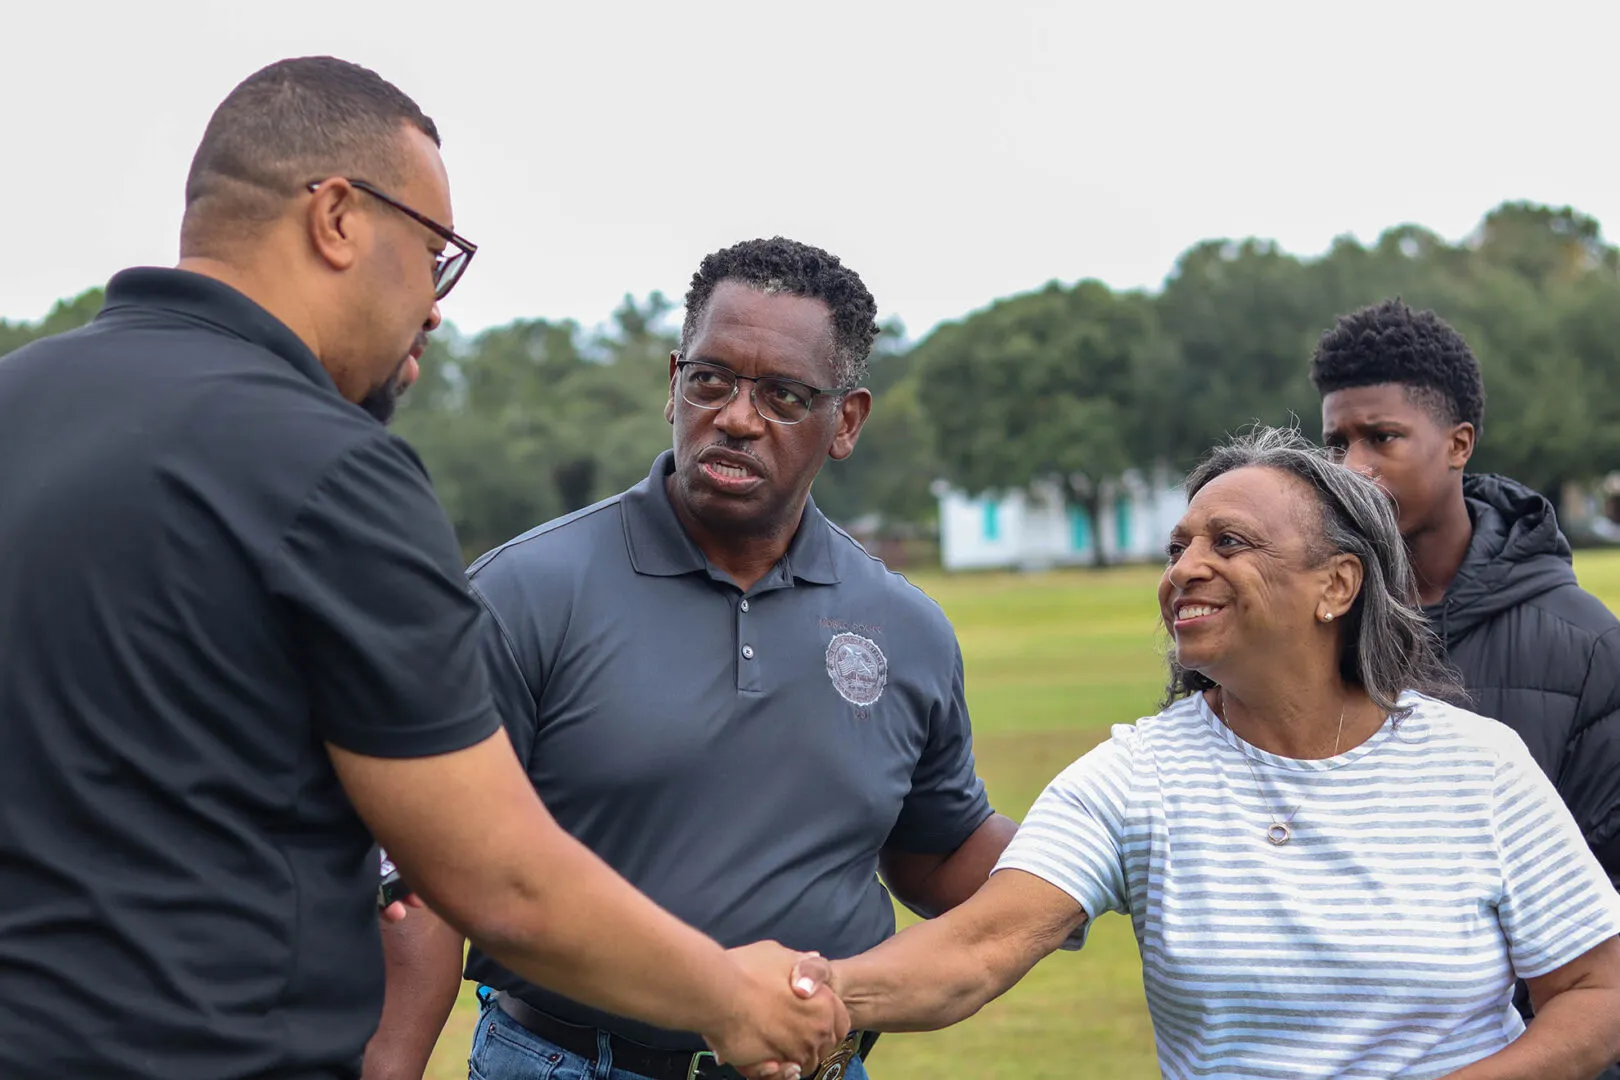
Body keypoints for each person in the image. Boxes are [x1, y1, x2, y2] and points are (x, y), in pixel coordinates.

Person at [0, 58, 843, 1080]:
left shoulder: (20, 400)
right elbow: (500, 881)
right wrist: (730, 998)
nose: (436, 309)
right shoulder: (326, 465)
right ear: (340, 220)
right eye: (434, 254)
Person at [363, 237, 1016, 1080]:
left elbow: (936, 849)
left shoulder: (905, 626)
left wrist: (1097, 846)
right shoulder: (525, 592)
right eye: (712, 380)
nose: (738, 417)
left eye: (783, 394)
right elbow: (432, 872)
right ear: (674, 383)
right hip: (568, 1062)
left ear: (845, 421)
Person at [792, 427, 1620, 1079]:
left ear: (1337, 585)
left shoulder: (1479, 766)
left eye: (1229, 543)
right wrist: (812, 992)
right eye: (1178, 548)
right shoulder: (1136, 777)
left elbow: (1596, 992)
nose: (1185, 569)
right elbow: (975, 949)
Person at [1312, 298, 1620, 892]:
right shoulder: (1303, 624)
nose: (1351, 468)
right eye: (1336, 444)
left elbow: (1600, 897)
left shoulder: (1589, 648)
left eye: (1382, 438)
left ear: (1459, 444)